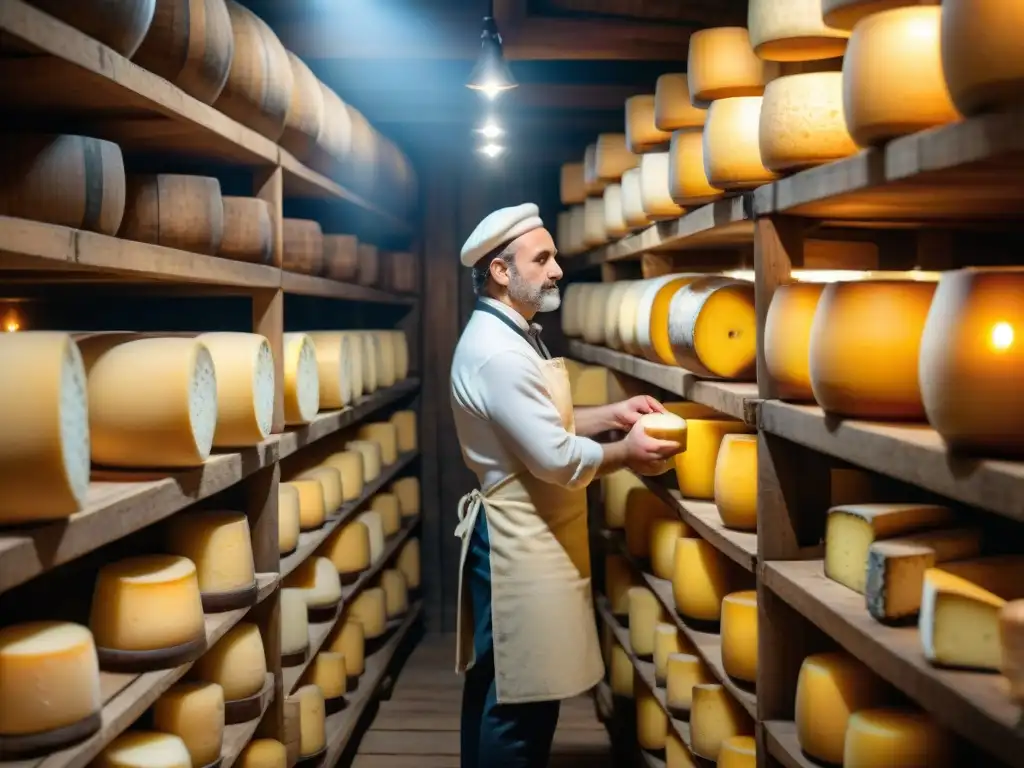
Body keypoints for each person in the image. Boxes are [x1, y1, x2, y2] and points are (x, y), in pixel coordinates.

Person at [450, 203, 684, 767]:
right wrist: (626, 453)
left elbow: (537, 421)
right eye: (543, 258)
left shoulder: (511, 334)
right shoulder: (498, 354)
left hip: (526, 531)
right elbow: (554, 457)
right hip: (517, 541)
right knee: (523, 701)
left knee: (501, 679)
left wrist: (609, 414)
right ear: (502, 272)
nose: (557, 270)